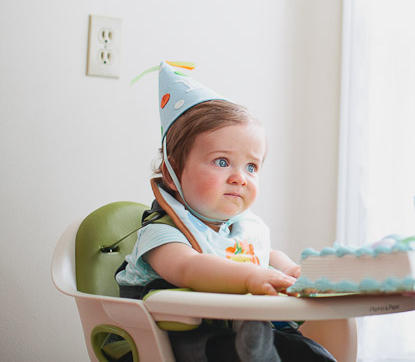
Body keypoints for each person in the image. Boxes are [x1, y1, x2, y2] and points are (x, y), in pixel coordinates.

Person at [116, 62, 336, 362]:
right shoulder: (161, 233)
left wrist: (291, 272)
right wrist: (250, 278)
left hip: (235, 330)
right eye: (222, 162)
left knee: (306, 352)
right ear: (172, 172)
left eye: (251, 166)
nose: (239, 177)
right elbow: (189, 268)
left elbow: (266, 254)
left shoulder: (239, 229)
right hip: (167, 343)